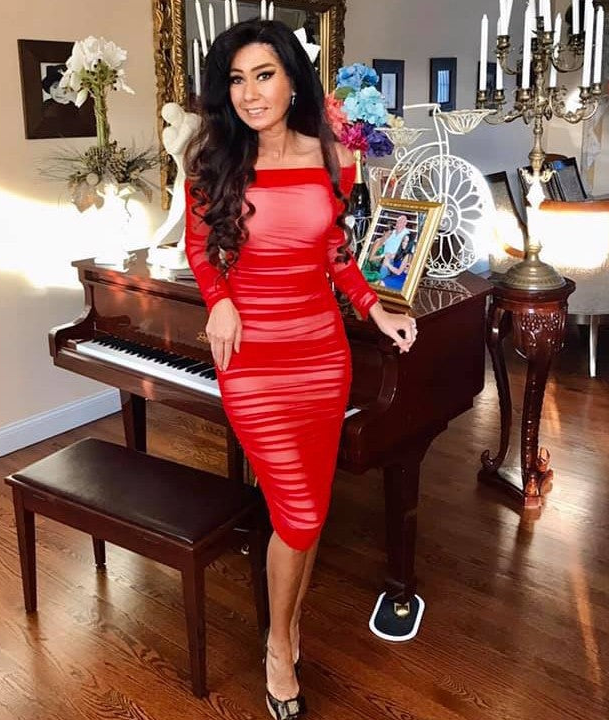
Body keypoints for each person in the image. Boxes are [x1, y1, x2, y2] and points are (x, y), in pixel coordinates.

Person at [183, 19, 417, 720]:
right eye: (236, 79)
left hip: (320, 353)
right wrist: (220, 300)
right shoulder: (214, 158)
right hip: (252, 357)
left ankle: (286, 625)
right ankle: (279, 647)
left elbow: (336, 251)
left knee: (305, 513)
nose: (250, 93)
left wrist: (373, 308)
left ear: (292, 80)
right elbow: (200, 247)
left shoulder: (333, 155)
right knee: (302, 510)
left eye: (264, 75)